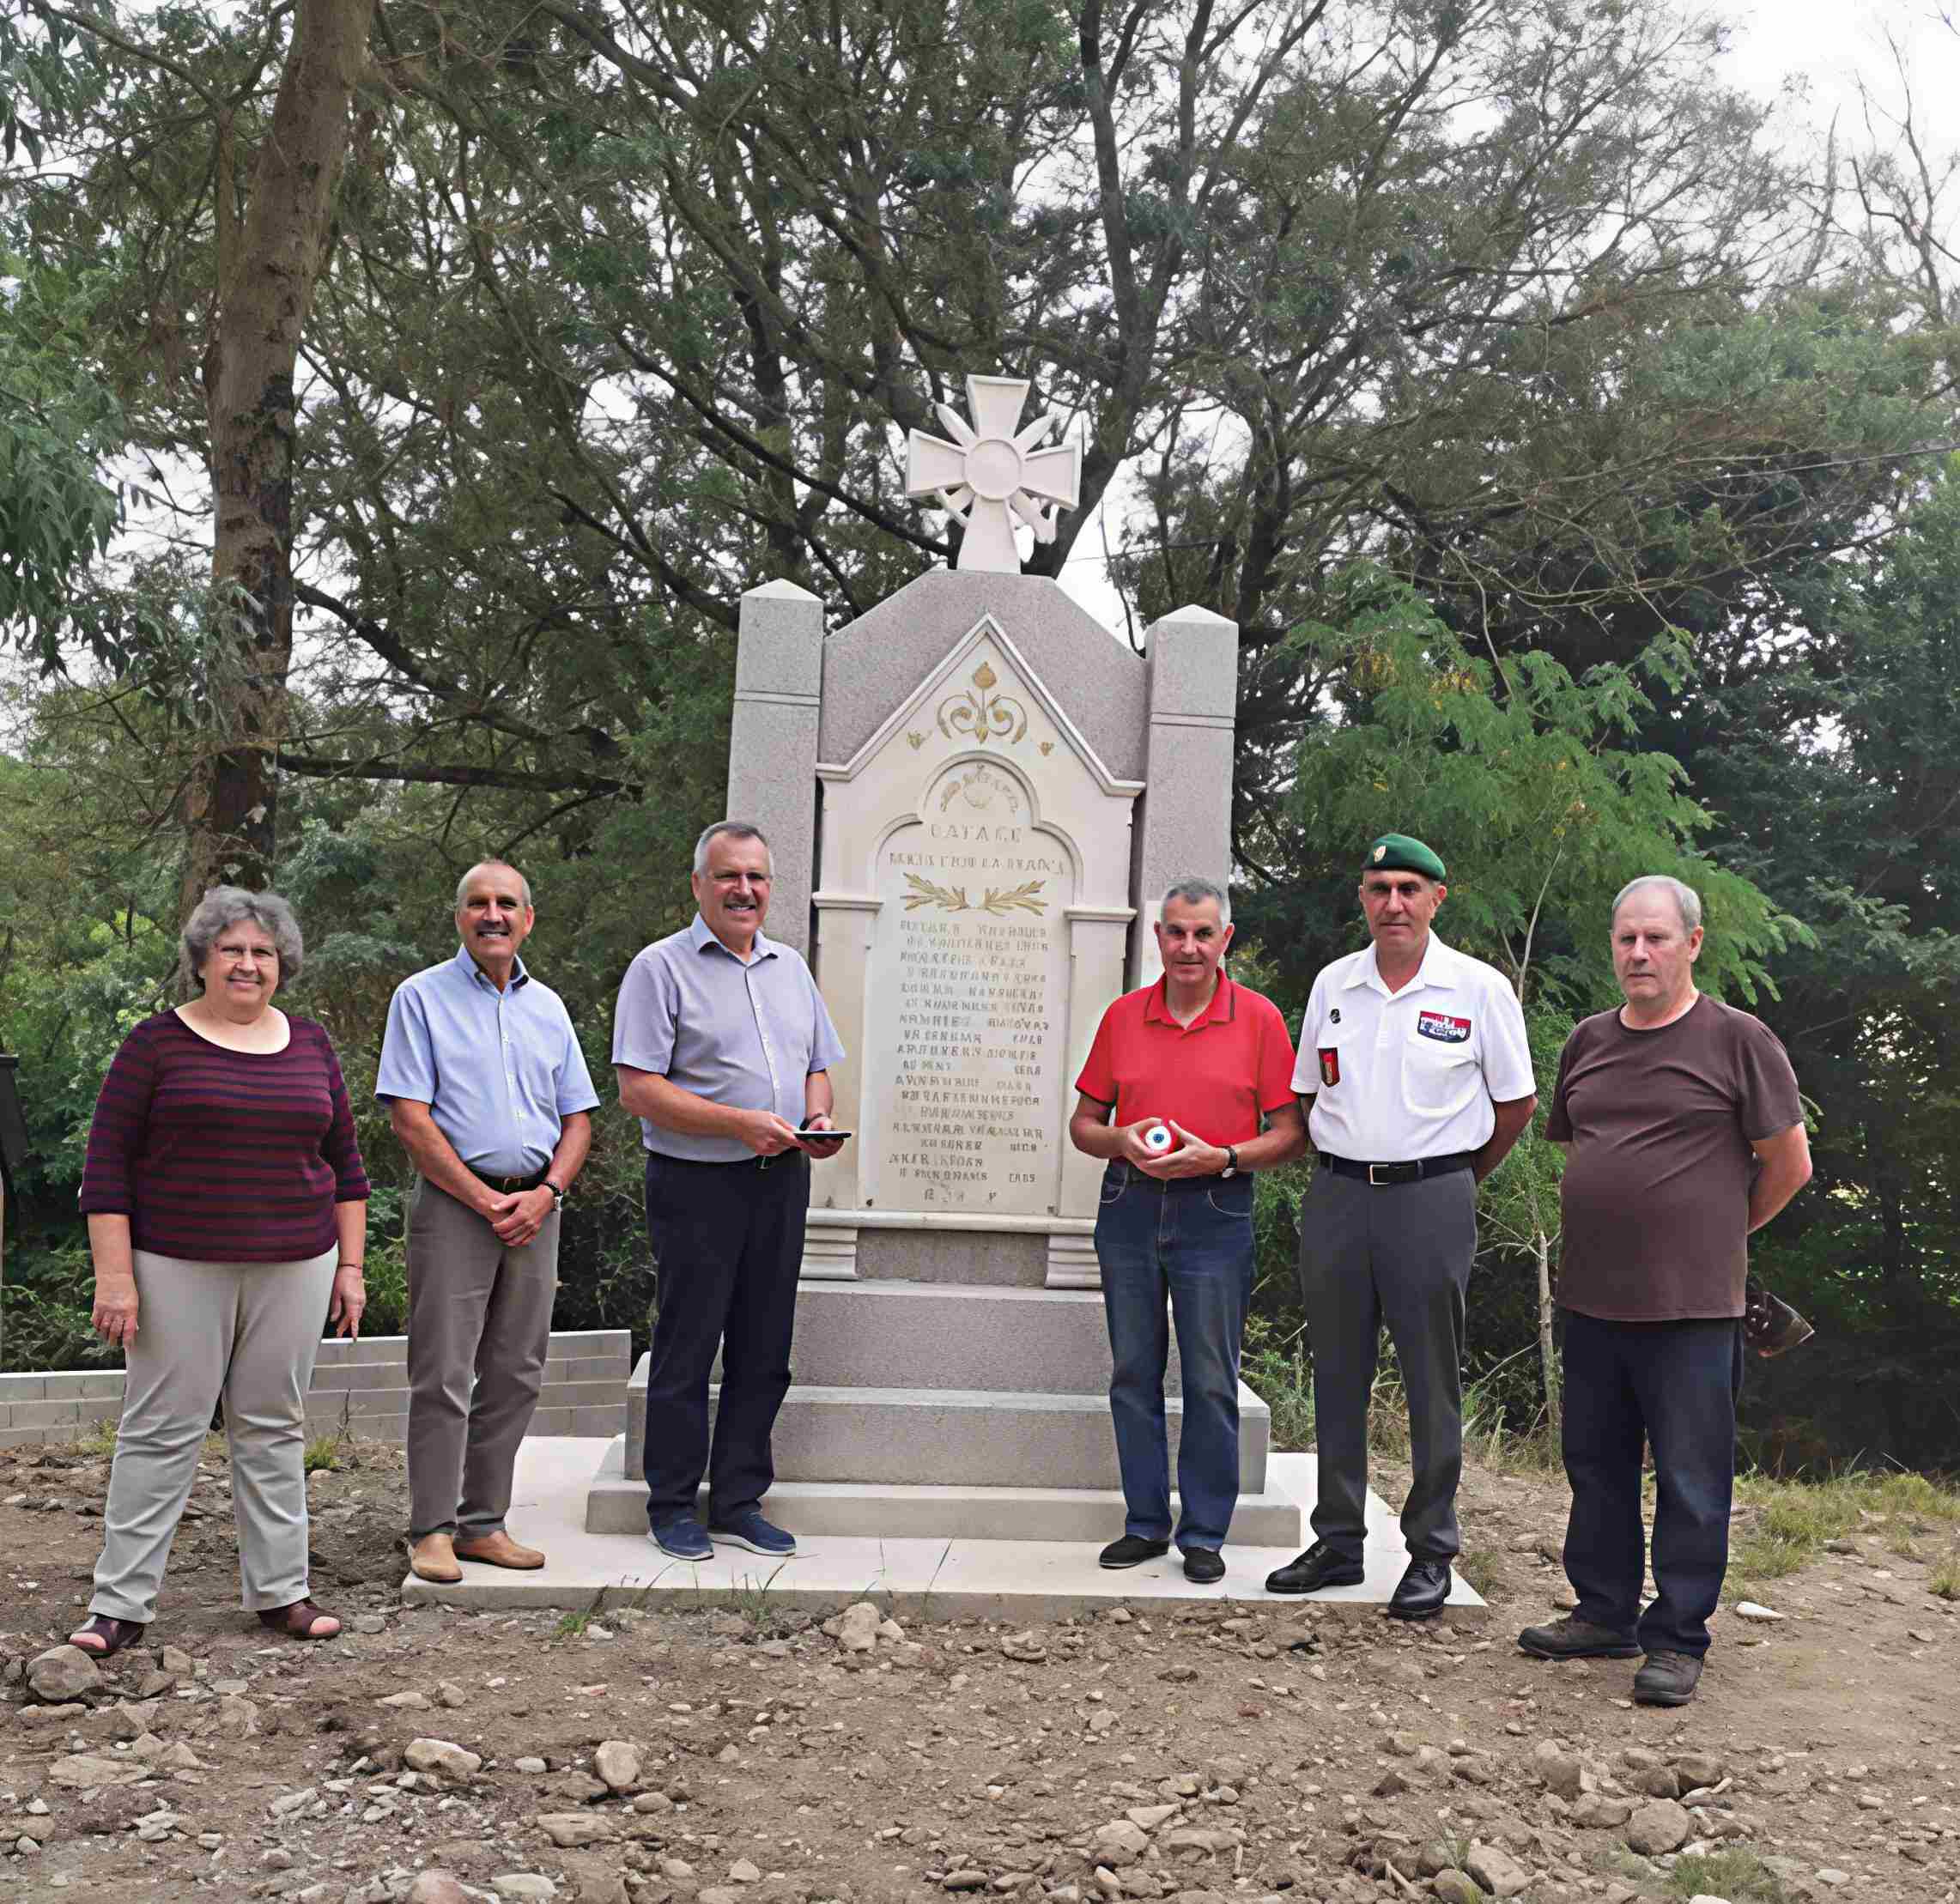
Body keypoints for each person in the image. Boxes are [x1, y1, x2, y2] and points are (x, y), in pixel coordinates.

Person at [1519, 875, 1810, 1706]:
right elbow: (1582, 1147)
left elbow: (1789, 1164)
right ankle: (1603, 1612)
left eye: (1655, 937)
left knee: (1689, 1477)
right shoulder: (1588, 1039)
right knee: (1595, 1467)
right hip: (1591, 1299)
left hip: (1693, 1308)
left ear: (1693, 943)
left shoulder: (1738, 1039)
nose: (1638, 953)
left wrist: (1715, 1236)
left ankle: (1678, 1637)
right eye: (1626, 939)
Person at [70, 888, 368, 1653]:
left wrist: (351, 1267)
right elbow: (106, 1168)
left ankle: (283, 1592)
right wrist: (115, 1277)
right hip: (174, 1263)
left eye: (262, 952)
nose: (247, 964)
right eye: (231, 949)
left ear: (281, 965)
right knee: (160, 1430)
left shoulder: (311, 1045)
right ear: (201, 960)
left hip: (298, 1264)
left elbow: (346, 1167)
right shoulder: (154, 1045)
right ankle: (119, 1605)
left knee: (273, 1427)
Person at [1267, 834, 1537, 1617]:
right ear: (1362, 897)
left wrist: (1454, 1181)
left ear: (1435, 899)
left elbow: (1515, 1103)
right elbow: (1308, 1092)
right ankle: (1338, 1540)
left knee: (1429, 1376)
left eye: (1409, 888)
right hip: (1339, 1194)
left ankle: (1430, 1549)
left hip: (1430, 1197)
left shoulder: (1477, 988)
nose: (1393, 903)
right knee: (1336, 1372)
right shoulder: (1334, 984)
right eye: (1379, 887)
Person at [612, 822, 846, 1562]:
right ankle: (673, 1505)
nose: (743, 890)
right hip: (696, 1183)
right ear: (698, 885)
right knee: (688, 1345)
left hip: (780, 1180)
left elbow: (816, 1065)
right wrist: (737, 1124)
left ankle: (739, 1500)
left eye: (755, 877)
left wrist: (816, 1117)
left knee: (764, 1346)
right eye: (727, 876)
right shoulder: (659, 968)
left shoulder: (790, 969)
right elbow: (638, 1089)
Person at [1070, 878, 1306, 1584]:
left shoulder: (1258, 1019)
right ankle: (1144, 1523)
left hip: (1216, 1208)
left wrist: (1223, 1156)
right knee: (1132, 1372)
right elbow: (1083, 1126)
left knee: (1209, 1378)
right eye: (1176, 932)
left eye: (1203, 934)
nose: (1189, 947)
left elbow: (1290, 1134)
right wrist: (1120, 1139)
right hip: (1129, 1205)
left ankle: (1203, 1533)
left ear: (1224, 939)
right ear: (1159, 937)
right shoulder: (1123, 1017)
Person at [378, 861, 598, 1584]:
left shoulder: (549, 1009)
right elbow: (409, 1118)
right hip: (454, 1210)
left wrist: (548, 1194)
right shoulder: (420, 998)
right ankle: (432, 1530)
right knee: (443, 1370)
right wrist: (481, 1199)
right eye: (478, 903)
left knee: (516, 1371)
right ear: (459, 918)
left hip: (536, 1212)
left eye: (506, 903)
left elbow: (578, 1119)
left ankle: (482, 1524)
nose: (492, 914)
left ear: (528, 919)